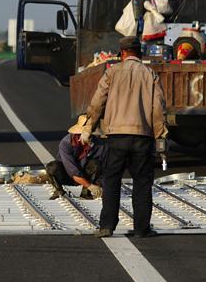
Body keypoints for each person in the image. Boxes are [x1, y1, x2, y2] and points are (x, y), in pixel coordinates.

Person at [81, 36, 167, 238]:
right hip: (142, 137)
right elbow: (158, 110)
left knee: (111, 182)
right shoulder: (150, 75)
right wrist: (160, 137)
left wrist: (88, 128)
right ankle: (141, 228)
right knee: (142, 183)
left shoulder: (111, 72)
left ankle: (107, 226)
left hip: (115, 136)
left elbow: (97, 103)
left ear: (123, 53)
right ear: (140, 53)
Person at [44, 115, 106, 200]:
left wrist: (100, 185)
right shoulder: (66, 143)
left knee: (96, 164)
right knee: (52, 167)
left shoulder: (97, 144)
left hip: (86, 174)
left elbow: (103, 165)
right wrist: (89, 185)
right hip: (68, 175)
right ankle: (59, 190)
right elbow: (72, 171)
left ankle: (85, 193)